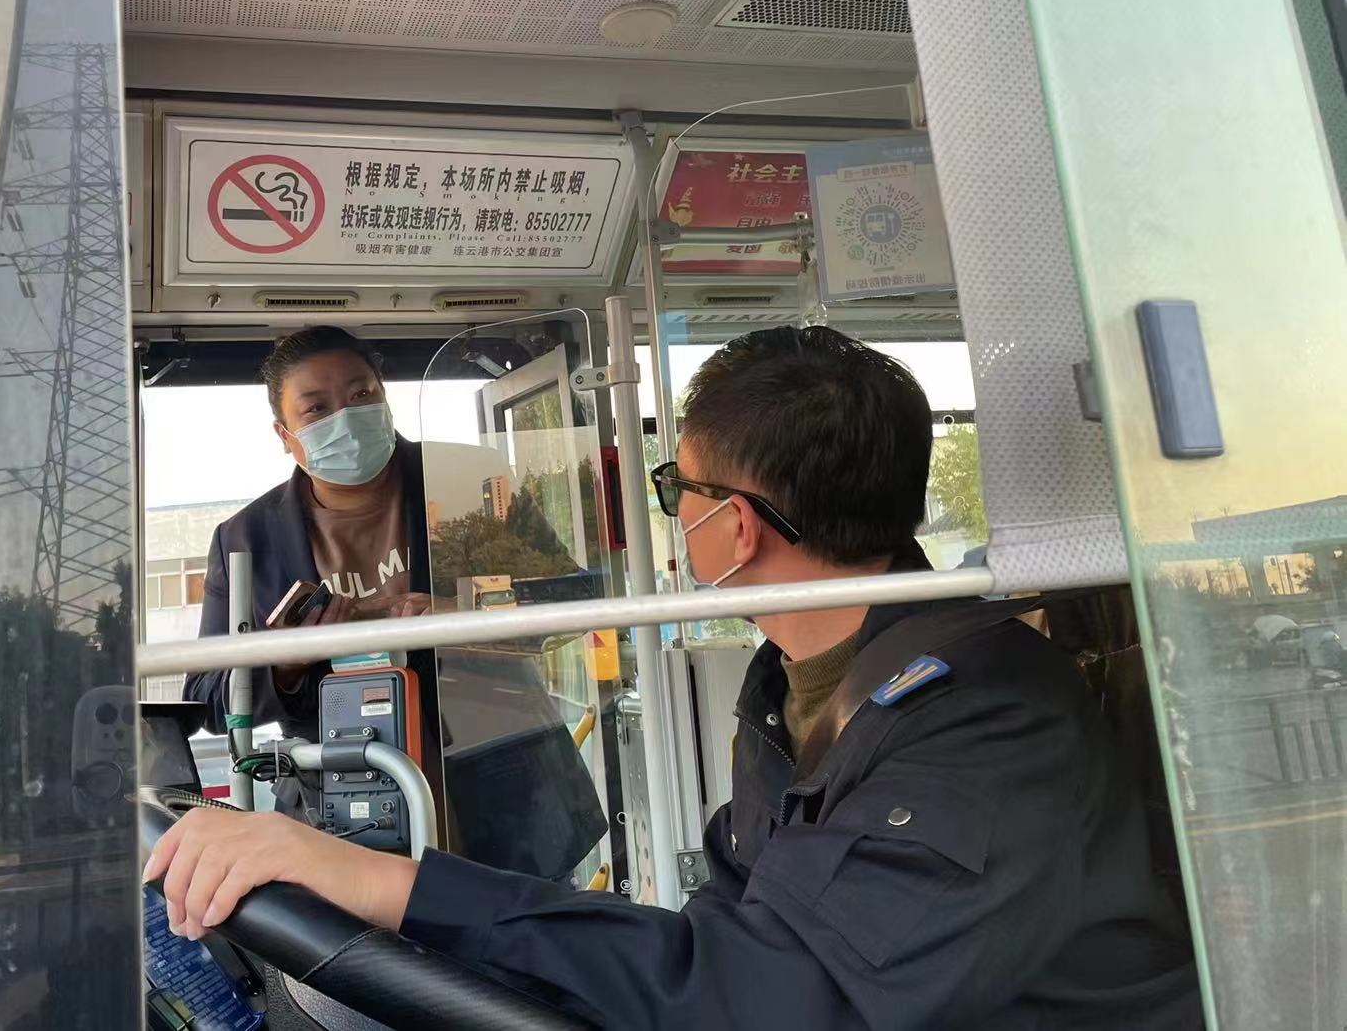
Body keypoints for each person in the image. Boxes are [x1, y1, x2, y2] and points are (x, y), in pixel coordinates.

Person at [151, 326, 1204, 1028]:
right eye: (317, 405)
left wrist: (387, 885)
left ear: (732, 527)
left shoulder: (981, 723)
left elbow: (768, 996)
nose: (345, 416)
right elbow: (731, 941)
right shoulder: (786, 683)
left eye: (674, 487)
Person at [182, 326, 435, 811]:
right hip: (332, 796)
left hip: (490, 768)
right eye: (317, 409)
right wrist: (286, 663)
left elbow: (565, 600)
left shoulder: (468, 477)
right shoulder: (244, 538)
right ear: (285, 435)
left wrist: (462, 613)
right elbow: (206, 698)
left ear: (385, 399)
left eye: (361, 395)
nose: (346, 418)